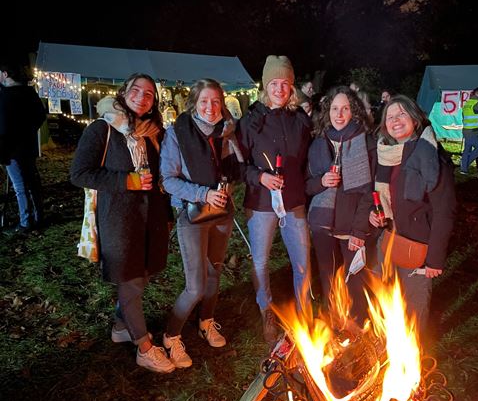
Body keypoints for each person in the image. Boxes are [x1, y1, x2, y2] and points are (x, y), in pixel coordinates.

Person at [70, 73, 174, 373]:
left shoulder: (155, 132)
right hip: (118, 217)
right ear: (124, 92)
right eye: (136, 90)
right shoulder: (102, 128)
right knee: (129, 279)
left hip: (150, 216)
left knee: (141, 276)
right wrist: (126, 180)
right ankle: (143, 347)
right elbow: (79, 173)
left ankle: (121, 325)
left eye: (149, 94)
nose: (142, 97)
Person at [160, 78, 242, 367]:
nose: (210, 107)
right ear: (194, 103)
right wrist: (203, 193)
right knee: (194, 286)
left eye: (216, 101)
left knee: (214, 274)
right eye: (204, 101)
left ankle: (206, 321)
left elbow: (235, 171)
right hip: (193, 214)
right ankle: (171, 336)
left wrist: (232, 141)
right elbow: (168, 180)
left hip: (222, 213)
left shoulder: (225, 132)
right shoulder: (177, 133)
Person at [236, 55, 312, 344]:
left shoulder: (300, 120)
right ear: (265, 86)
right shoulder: (251, 120)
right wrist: (260, 177)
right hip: (261, 203)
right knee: (260, 262)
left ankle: (305, 312)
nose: (280, 89)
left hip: (293, 202)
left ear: (292, 87)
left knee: (302, 261)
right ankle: (266, 309)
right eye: (274, 83)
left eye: (285, 83)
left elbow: (307, 162)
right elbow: (238, 165)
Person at [370, 95, 456, 334]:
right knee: (383, 301)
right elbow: (384, 198)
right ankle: (380, 353)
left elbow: (444, 212)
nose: (395, 121)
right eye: (390, 116)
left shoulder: (433, 157)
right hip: (388, 240)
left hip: (418, 248)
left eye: (401, 114)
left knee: (414, 312)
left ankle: (410, 361)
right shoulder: (386, 154)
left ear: (415, 119)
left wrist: (435, 259)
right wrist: (374, 215)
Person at [306, 86, 378, 325]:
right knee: (328, 274)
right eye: (334, 109)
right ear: (327, 112)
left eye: (345, 108)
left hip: (351, 222)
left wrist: (359, 230)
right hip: (322, 220)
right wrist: (321, 182)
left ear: (353, 111)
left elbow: (370, 191)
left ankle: (358, 322)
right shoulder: (318, 142)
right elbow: (306, 185)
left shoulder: (365, 142)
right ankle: (334, 320)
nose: (339, 114)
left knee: (354, 275)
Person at [0, 61, 46, 233]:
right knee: (33, 183)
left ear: (5, 74)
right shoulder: (30, 93)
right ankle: (38, 216)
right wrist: (29, 130)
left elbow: (3, 127)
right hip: (29, 146)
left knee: (20, 186)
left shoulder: (6, 96)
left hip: (12, 149)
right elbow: (40, 116)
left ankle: (26, 222)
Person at [460, 88, 478, 175]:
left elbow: (463, 117)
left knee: (467, 149)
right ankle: (464, 164)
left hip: (466, 130)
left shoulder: (467, 104)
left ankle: (463, 169)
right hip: (474, 131)